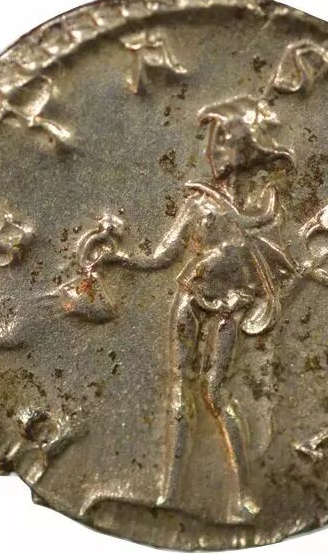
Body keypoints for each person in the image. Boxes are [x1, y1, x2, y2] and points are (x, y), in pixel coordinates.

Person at [88, 95, 296, 523]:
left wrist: (263, 301)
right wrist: (120, 259)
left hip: (229, 310)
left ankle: (240, 495)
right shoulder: (199, 203)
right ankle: (169, 494)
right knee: (181, 390)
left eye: (220, 143)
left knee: (216, 394)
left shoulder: (266, 211)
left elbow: (281, 271)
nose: (211, 152)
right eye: (211, 143)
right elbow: (162, 257)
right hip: (190, 299)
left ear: (242, 151)